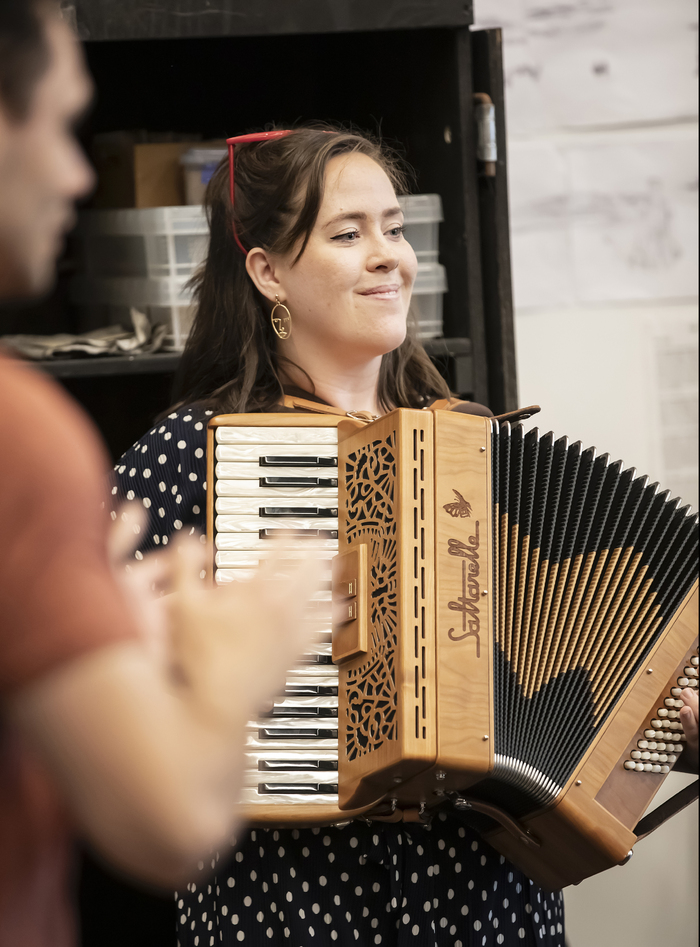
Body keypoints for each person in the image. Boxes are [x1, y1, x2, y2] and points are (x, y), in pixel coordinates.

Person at [114, 124, 561, 947]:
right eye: (348, 234)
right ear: (268, 271)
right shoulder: (187, 457)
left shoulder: (477, 449)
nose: (389, 253)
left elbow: (560, 663)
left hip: (486, 903)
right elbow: (97, 704)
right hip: (295, 899)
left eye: (394, 227)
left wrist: (662, 727)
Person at [0, 5, 318, 945]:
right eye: (57, 126)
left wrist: (88, 640)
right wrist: (237, 662)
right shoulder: (25, 434)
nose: (75, 173)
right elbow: (170, 821)